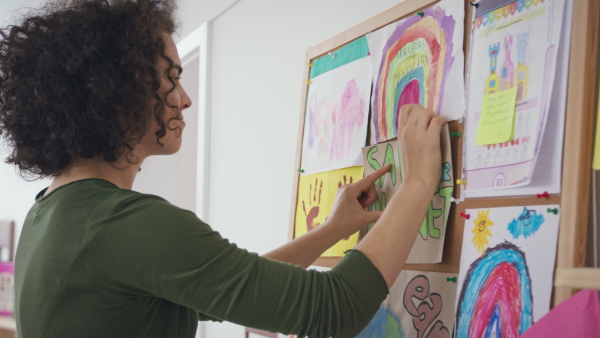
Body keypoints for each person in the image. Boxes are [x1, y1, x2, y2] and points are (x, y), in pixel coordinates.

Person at [0, 0, 446, 337]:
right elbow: (335, 308)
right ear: (116, 91)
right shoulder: (121, 225)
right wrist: (420, 181)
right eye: (171, 78)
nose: (185, 98)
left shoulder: (50, 214)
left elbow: (214, 292)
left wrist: (332, 230)